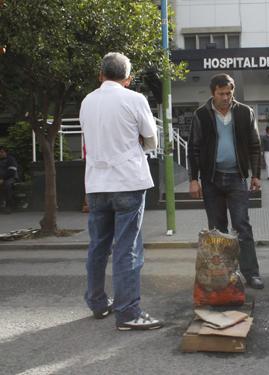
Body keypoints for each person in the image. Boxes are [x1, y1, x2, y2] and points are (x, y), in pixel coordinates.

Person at [79, 52, 163, 331]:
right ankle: (128, 313)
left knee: (98, 246)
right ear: (128, 79)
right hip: (127, 181)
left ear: (101, 75)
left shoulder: (87, 101)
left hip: (96, 183)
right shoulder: (135, 99)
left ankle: (98, 302)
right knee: (127, 248)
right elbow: (151, 137)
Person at [188, 73, 264, 289]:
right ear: (213, 93)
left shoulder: (244, 112)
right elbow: (193, 149)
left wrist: (256, 174)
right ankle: (223, 275)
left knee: (242, 226)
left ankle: (252, 274)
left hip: (237, 178)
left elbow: (254, 145)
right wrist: (194, 179)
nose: (226, 97)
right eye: (221, 93)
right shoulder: (201, 114)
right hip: (211, 180)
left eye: (229, 93)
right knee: (217, 231)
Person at [0, 145, 18, 214]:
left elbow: (12, 172)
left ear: (6, 152)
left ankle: (9, 206)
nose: (0, 154)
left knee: (7, 185)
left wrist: (2, 179)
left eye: (2, 152)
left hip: (10, 178)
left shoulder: (11, 159)